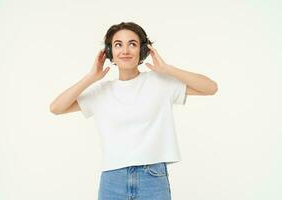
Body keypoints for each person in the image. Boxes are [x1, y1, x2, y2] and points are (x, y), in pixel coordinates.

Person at [50, 22, 218, 200]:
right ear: (109, 52)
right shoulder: (101, 92)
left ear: (143, 51)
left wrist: (167, 69)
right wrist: (91, 77)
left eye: (132, 44)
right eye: (118, 44)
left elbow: (210, 88)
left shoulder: (161, 82)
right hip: (112, 179)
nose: (125, 50)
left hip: (152, 177)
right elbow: (56, 108)